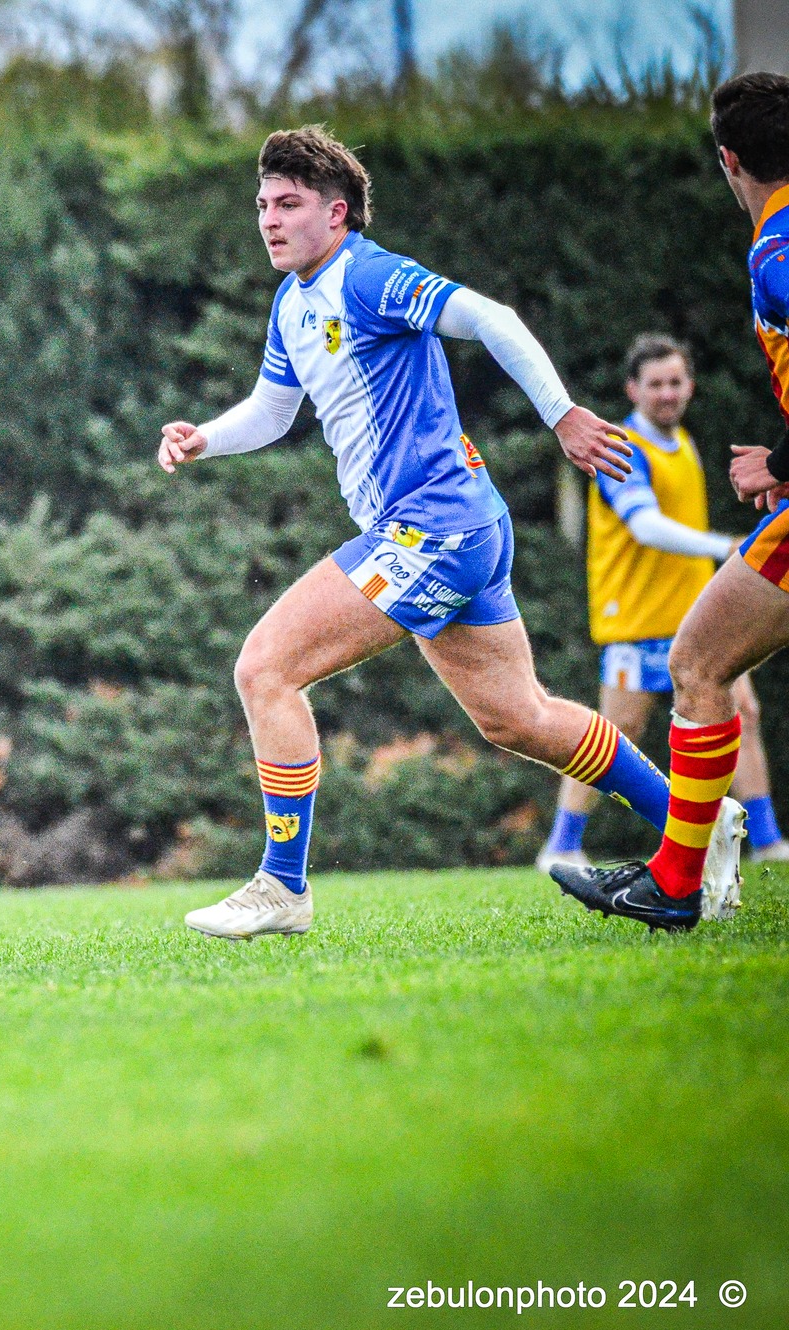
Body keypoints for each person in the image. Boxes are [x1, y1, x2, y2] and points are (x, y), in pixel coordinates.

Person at [154, 125, 744, 940]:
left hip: (432, 528)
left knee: (265, 669)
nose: (269, 220)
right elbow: (273, 411)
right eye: (262, 205)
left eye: (288, 204)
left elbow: (491, 317)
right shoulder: (293, 303)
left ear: (339, 213)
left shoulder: (368, 275)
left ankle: (282, 888)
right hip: (464, 525)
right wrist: (204, 437)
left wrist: (563, 414)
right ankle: (702, 825)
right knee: (519, 719)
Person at [553, 72, 789, 931]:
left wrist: (779, 460)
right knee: (695, 682)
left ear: (729, 160)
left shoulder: (775, 247)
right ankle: (656, 866)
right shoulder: (654, 444)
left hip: (671, 595)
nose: (670, 392)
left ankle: (676, 881)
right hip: (634, 609)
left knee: (698, 669)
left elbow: (658, 526)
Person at [537, 333, 789, 873]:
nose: (668, 394)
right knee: (616, 732)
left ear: (690, 385)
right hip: (634, 618)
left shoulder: (687, 444)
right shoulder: (619, 448)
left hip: (695, 614)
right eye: (655, 384)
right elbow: (646, 527)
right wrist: (727, 548)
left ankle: (769, 841)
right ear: (633, 389)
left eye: (676, 382)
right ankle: (560, 845)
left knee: (744, 712)